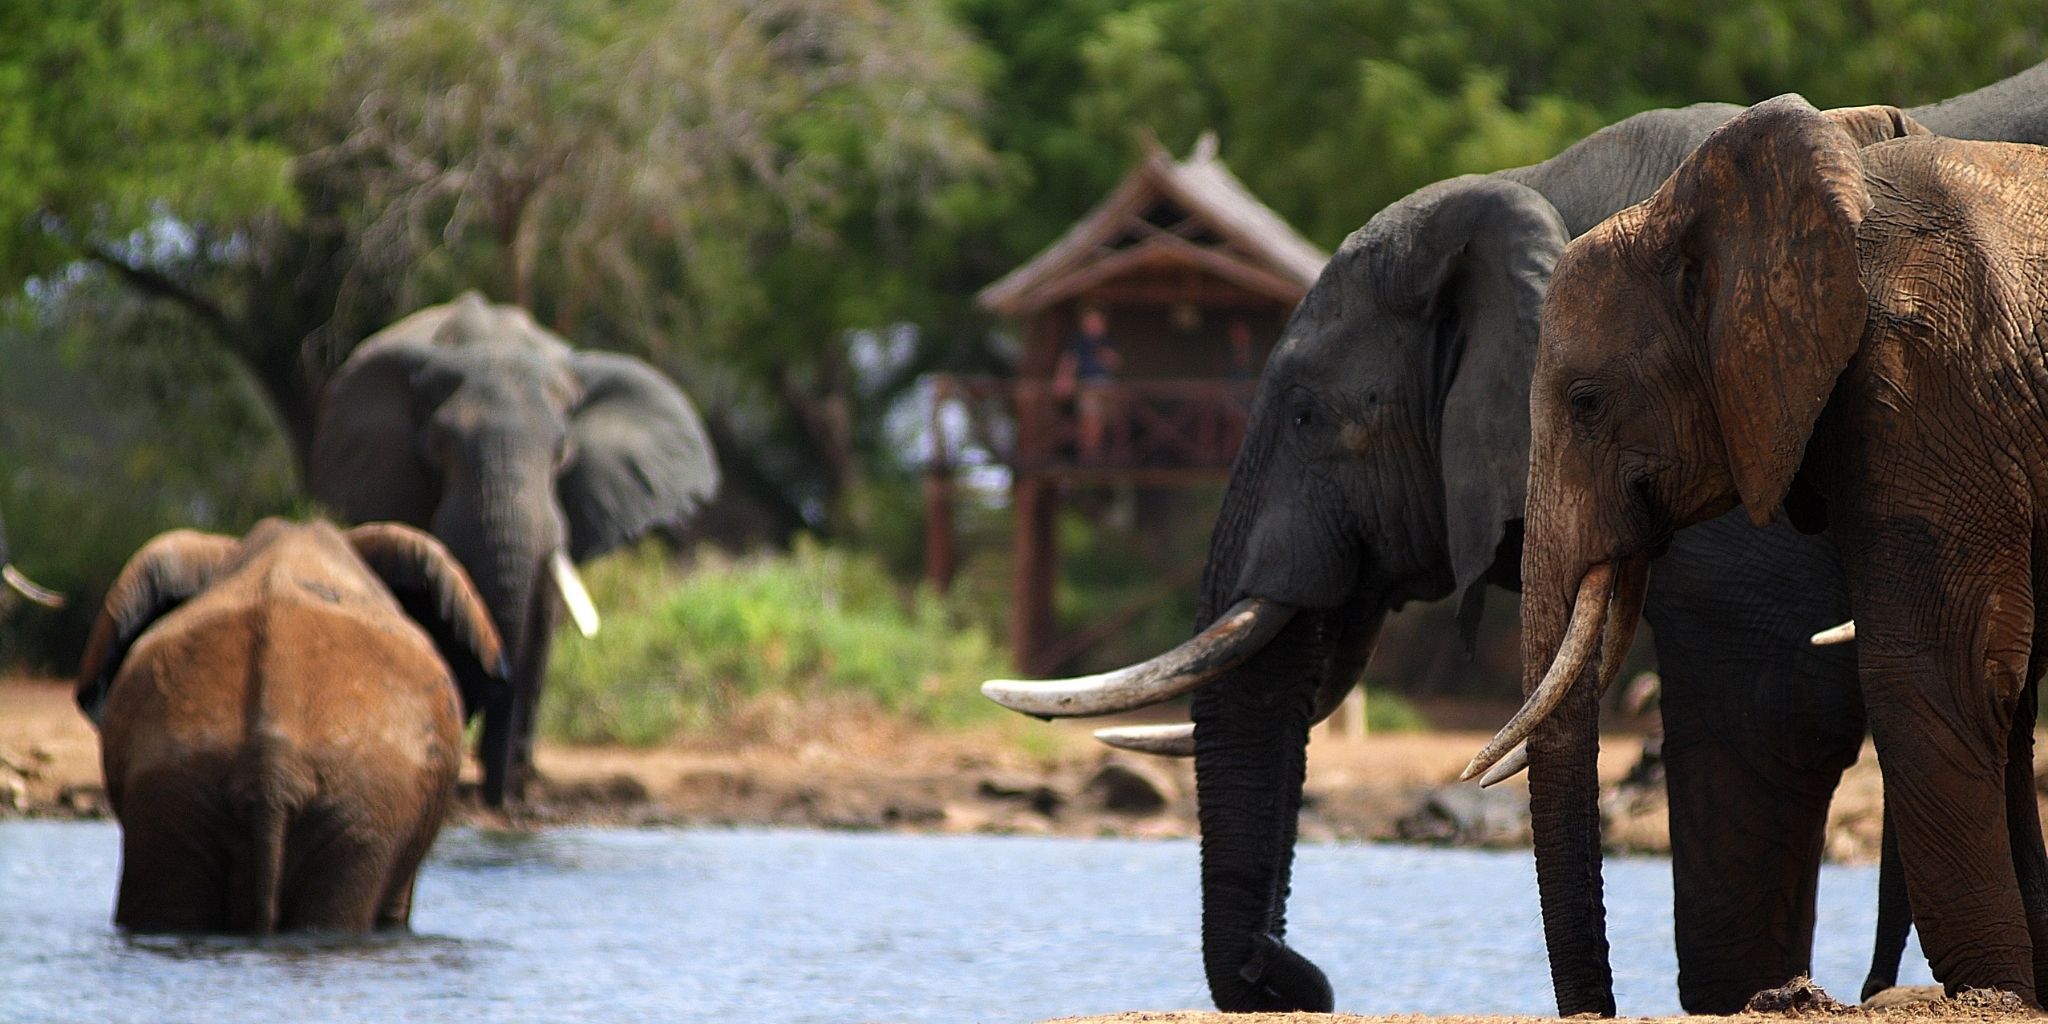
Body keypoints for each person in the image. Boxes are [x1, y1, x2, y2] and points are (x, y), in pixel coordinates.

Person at [1054, 306, 1122, 462]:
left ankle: (1101, 451)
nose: (1094, 324)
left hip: (1106, 384)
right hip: (1088, 384)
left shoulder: (1107, 341)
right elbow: (1068, 362)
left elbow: (1115, 363)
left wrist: (1107, 356)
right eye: (1090, 321)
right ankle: (1089, 453)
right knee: (1090, 416)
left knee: (1109, 417)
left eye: (1097, 321)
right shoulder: (1078, 341)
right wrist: (1063, 380)